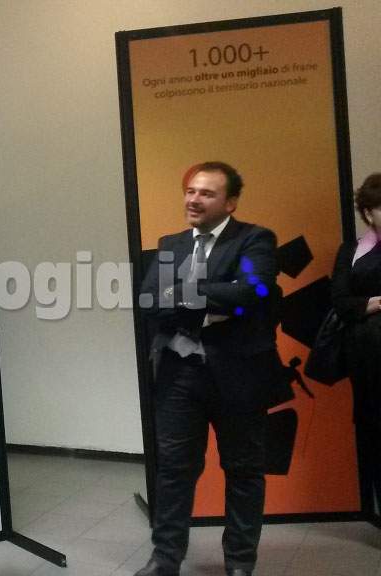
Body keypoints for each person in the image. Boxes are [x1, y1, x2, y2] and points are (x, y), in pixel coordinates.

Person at [136, 162, 280, 576]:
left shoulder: (254, 239)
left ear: (230, 203)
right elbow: (149, 301)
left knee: (243, 470)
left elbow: (253, 292)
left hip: (239, 374)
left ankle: (239, 562)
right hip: (180, 375)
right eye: (190, 191)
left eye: (206, 193)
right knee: (173, 470)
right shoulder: (171, 244)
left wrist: (182, 293)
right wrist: (217, 298)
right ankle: (165, 558)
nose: (194, 200)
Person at [330, 173, 381, 518]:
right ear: (367, 213)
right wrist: (372, 304)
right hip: (367, 354)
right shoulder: (351, 250)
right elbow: (340, 301)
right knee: (374, 430)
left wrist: (366, 303)